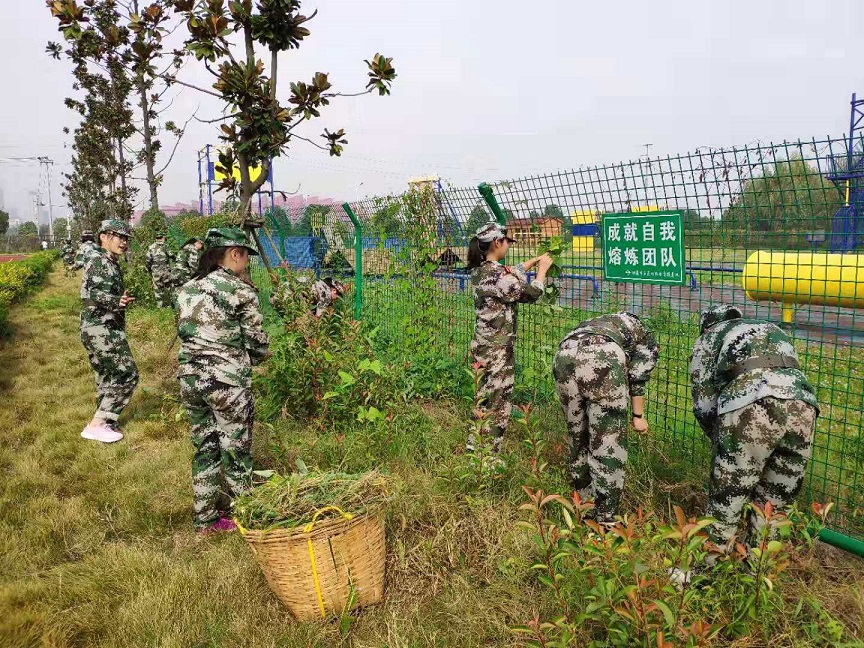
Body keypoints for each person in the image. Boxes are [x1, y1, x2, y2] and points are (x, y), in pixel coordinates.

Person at [690, 305, 819, 547]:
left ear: (706, 326)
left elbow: (703, 405)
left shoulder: (710, 336)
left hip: (750, 402)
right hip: (803, 405)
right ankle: (761, 564)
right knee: (775, 505)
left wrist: (722, 442)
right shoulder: (771, 328)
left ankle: (709, 565)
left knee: (726, 501)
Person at [176, 227, 269, 533]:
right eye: (246, 256)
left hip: (190, 379)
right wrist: (255, 356)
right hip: (226, 383)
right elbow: (257, 345)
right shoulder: (241, 291)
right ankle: (247, 518)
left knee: (205, 447)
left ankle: (205, 520)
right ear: (233, 253)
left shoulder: (188, 288)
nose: (247, 262)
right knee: (236, 449)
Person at [553, 312, 659, 522]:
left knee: (578, 436)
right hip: (603, 354)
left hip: (564, 354)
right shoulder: (644, 334)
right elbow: (638, 376)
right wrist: (638, 416)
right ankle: (605, 519)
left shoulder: (599, 322)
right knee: (608, 442)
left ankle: (583, 506)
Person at [467, 222, 554, 452]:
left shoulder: (479, 271)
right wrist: (542, 270)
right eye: (506, 242)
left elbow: (512, 272)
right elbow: (532, 293)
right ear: (497, 242)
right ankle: (489, 455)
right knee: (498, 402)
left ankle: (474, 444)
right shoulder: (500, 277)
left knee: (483, 397)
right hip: (498, 351)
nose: (508, 246)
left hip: (481, 346)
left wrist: (534, 261)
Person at [79, 219, 139, 443]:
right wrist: (116, 301)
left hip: (99, 326)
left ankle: (105, 423)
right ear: (104, 237)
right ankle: (98, 424)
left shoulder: (109, 261)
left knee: (107, 376)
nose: (124, 242)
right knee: (127, 373)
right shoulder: (99, 260)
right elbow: (93, 293)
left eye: (126, 239)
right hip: (101, 327)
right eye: (119, 237)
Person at [144, 233, 175, 308]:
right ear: (163, 238)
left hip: (156, 272)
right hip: (166, 271)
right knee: (170, 287)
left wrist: (149, 269)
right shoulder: (165, 246)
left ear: (156, 238)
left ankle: (160, 306)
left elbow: (148, 260)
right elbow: (171, 255)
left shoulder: (151, 247)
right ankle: (173, 304)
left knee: (158, 289)